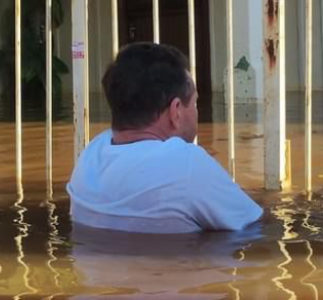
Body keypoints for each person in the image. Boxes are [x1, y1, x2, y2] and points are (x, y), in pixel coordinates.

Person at [67, 42, 263, 233]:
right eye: (194, 103)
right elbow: (258, 226)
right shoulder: (187, 164)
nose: (196, 112)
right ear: (175, 111)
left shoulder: (89, 157)